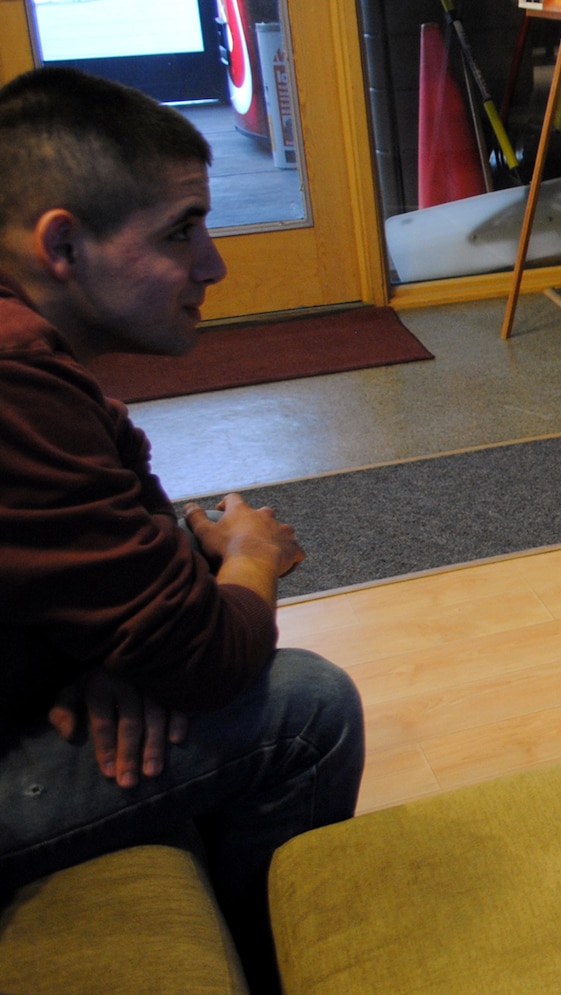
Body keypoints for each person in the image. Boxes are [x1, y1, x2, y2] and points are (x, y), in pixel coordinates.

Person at [0, 67, 365, 993]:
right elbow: (207, 655)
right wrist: (249, 554)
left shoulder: (41, 363)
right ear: (62, 243)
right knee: (307, 708)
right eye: (179, 232)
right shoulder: (17, 387)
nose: (213, 264)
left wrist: (118, 651)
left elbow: (136, 543)